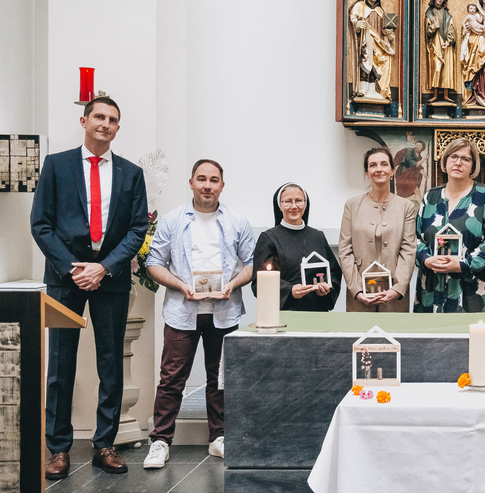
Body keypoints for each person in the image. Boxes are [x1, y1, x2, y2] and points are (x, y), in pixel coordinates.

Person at [30, 96, 149, 478]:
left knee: (111, 365)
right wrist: (72, 268)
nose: (105, 123)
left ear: (117, 127)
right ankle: (58, 450)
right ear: (84, 121)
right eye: (99, 116)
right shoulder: (56, 165)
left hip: (110, 280)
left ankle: (104, 445)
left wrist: (104, 267)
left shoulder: (131, 173)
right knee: (60, 367)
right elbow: (41, 224)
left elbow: (136, 229)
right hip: (65, 280)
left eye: (113, 119)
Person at [143, 159, 255, 468]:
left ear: (222, 185)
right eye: (202, 179)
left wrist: (232, 284)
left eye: (214, 179)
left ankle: (218, 438)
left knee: (220, 379)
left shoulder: (237, 221)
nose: (207, 185)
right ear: (191, 182)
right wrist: (181, 286)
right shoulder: (172, 220)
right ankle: (161, 441)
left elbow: (251, 262)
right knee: (171, 378)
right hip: (182, 311)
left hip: (224, 310)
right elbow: (153, 263)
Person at [414, 137, 485, 312]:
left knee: (474, 338)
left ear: (473, 166)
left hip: (474, 290)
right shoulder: (430, 197)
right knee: (431, 338)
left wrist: (464, 263)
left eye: (465, 159)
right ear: (445, 161)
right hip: (433, 288)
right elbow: (416, 238)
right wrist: (426, 259)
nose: (458, 163)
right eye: (453, 157)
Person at [339, 148, 418, 312]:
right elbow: (345, 250)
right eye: (373, 165)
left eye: (384, 164)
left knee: (392, 336)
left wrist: (398, 288)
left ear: (392, 170)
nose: (379, 169)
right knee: (361, 336)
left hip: (394, 292)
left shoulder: (406, 207)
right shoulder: (352, 205)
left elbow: (409, 249)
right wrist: (356, 289)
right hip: (360, 291)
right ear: (367, 172)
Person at [252, 183, 342, 311]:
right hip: (285, 312)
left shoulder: (318, 236)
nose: (294, 206)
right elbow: (259, 282)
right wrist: (289, 290)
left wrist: (327, 288)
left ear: (305, 204)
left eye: (299, 201)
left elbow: (334, 272)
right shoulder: (269, 238)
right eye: (288, 201)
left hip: (317, 312)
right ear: (280, 205)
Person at [349, 0, 395, 100]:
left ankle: (372, 89)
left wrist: (388, 33)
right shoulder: (359, 7)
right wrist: (358, 24)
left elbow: (385, 28)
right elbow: (352, 20)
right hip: (365, 40)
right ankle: (362, 88)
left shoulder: (380, 10)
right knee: (365, 61)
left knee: (375, 65)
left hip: (378, 42)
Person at [424, 0, 459, 103]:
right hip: (435, 44)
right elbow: (427, 32)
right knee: (436, 68)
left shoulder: (448, 15)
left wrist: (448, 41)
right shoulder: (429, 13)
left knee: (446, 69)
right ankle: (434, 94)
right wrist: (433, 27)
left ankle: (445, 95)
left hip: (445, 45)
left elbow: (452, 30)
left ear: (444, 0)